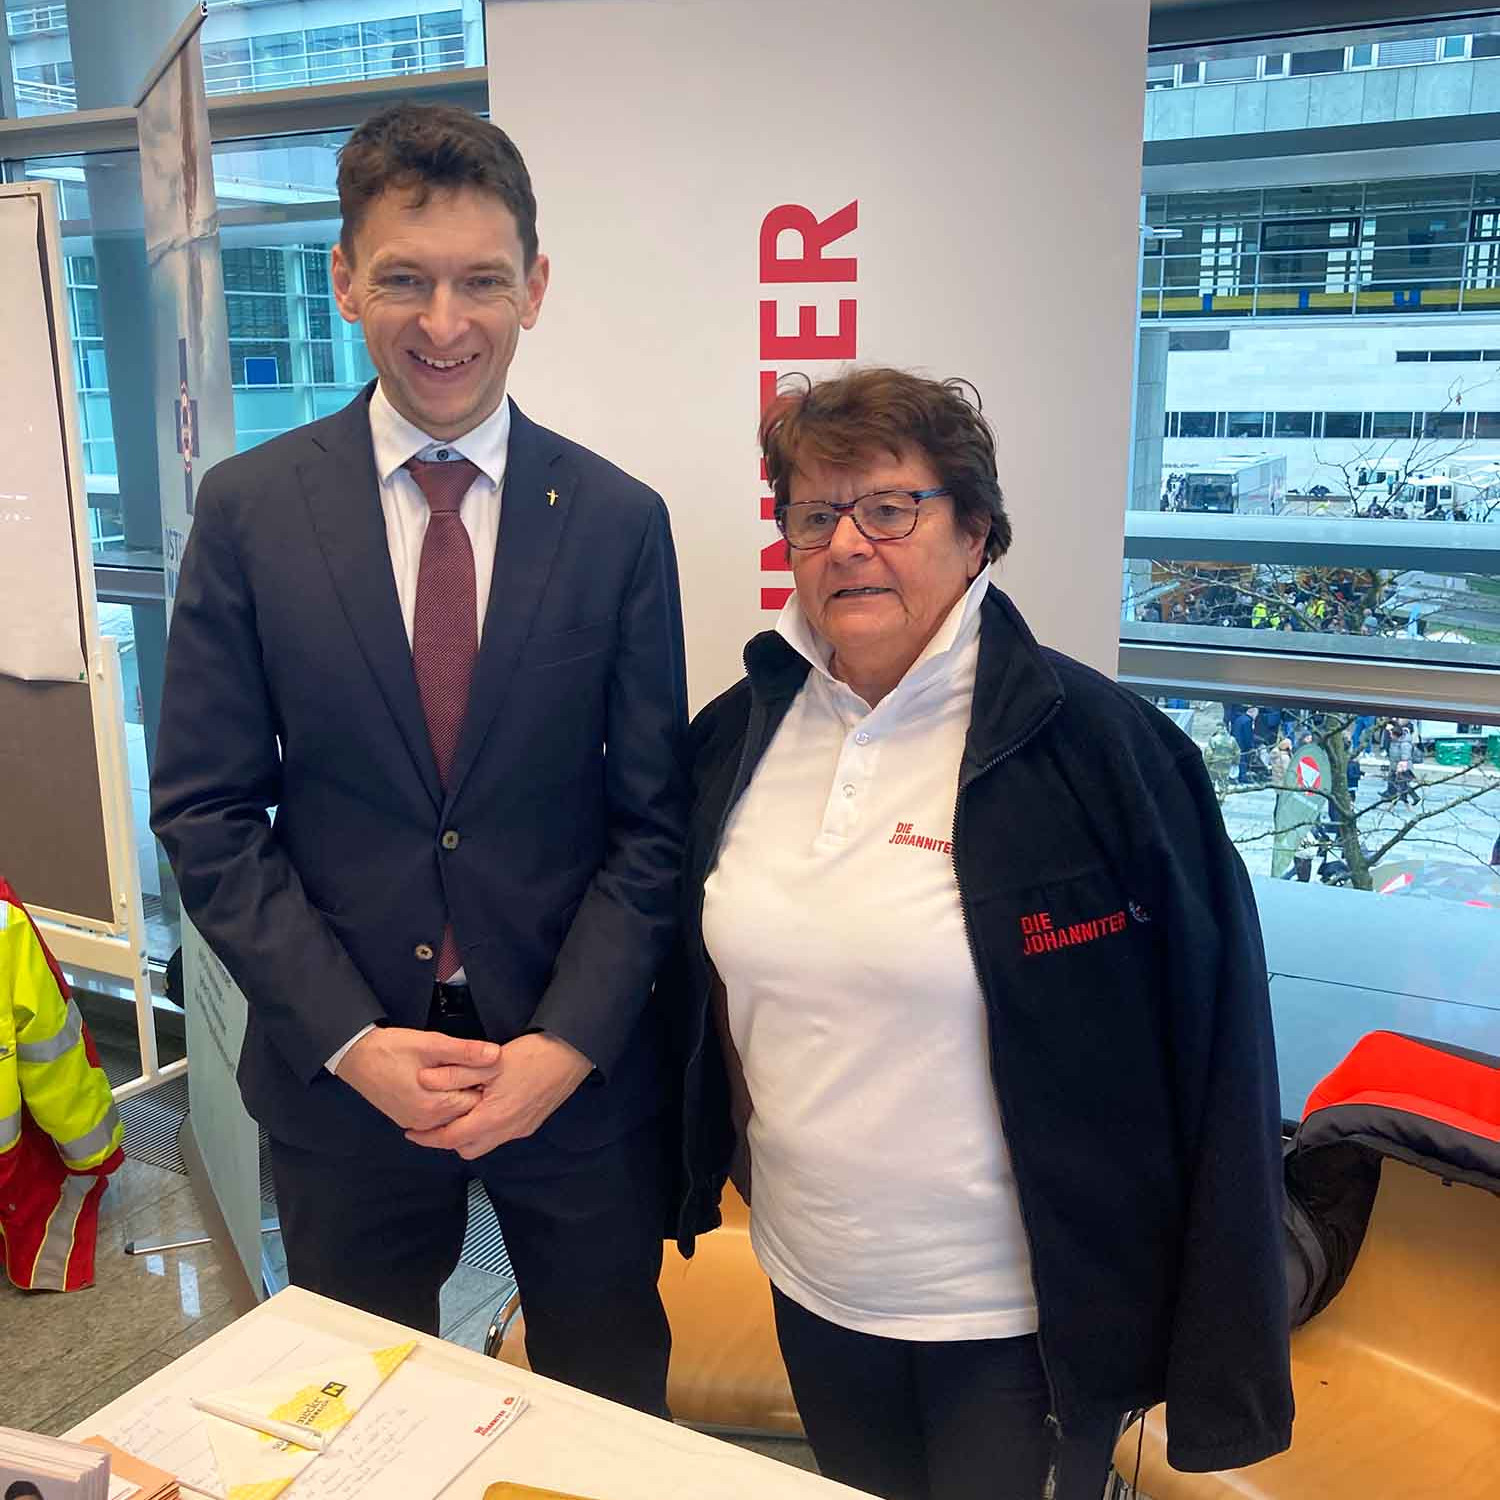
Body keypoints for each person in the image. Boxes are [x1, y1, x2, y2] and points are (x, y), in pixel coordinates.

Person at [665, 370, 1292, 1500]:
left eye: (890, 508)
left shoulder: (1108, 756)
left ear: (977, 532)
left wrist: (1220, 1335)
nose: (848, 543)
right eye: (815, 514)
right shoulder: (740, 733)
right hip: (815, 1282)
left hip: (1015, 1322)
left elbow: (1219, 1055)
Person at [150, 104, 688, 1410]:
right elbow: (208, 811)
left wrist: (566, 1046)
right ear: (344, 282)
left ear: (534, 290)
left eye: (480, 282)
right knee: (355, 1411)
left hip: (569, 1086)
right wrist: (347, 1039)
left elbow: (654, 830)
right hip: (347, 1090)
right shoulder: (251, 513)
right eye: (404, 279)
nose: (444, 322)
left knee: (607, 1406)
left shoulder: (617, 523)